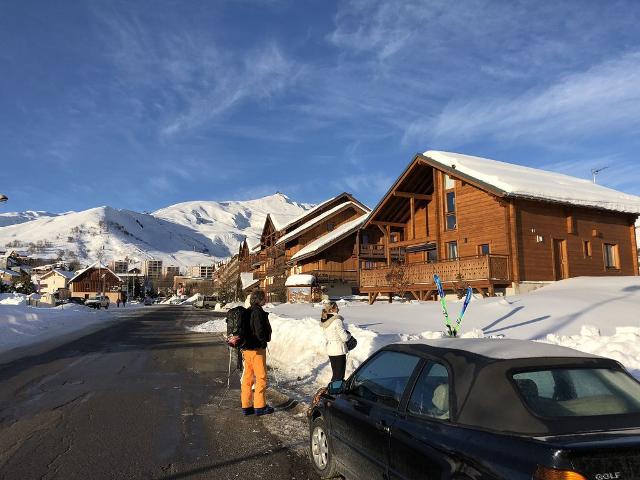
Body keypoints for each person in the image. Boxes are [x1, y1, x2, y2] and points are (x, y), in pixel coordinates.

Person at [240, 289, 273, 416]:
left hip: (246, 350)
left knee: (247, 378)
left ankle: (246, 406)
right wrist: (263, 341)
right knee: (261, 377)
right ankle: (260, 406)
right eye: (264, 298)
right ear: (260, 299)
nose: (266, 300)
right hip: (257, 350)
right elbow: (259, 330)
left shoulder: (247, 311)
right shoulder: (257, 312)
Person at [320, 301, 351, 382]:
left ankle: (334, 389)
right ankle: (336, 391)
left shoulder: (325, 319)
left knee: (335, 373)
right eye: (337, 307)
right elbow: (344, 337)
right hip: (339, 350)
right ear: (331, 309)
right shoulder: (337, 320)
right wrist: (349, 335)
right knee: (340, 375)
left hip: (330, 349)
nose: (338, 308)